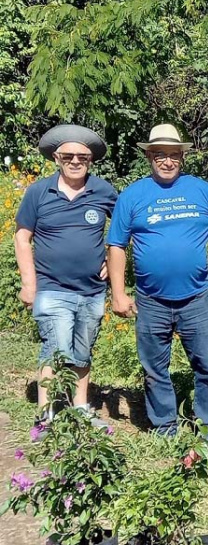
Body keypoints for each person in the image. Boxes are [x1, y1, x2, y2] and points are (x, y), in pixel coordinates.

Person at [107, 124, 208, 446]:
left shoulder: (202, 190)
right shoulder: (133, 195)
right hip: (151, 300)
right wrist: (119, 292)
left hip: (196, 299)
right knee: (154, 369)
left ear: (182, 156)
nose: (167, 161)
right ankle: (165, 427)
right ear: (149, 156)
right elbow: (117, 246)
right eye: (160, 155)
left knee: (207, 366)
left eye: (174, 155)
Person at [15, 125, 118, 434]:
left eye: (83, 156)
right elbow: (22, 238)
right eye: (69, 155)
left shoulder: (103, 191)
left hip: (92, 290)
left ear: (91, 160)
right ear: (57, 158)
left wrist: (112, 263)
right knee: (56, 348)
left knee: (83, 349)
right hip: (51, 287)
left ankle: (80, 408)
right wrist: (29, 283)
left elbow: (124, 229)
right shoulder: (38, 192)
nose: (76, 161)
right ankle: (46, 416)